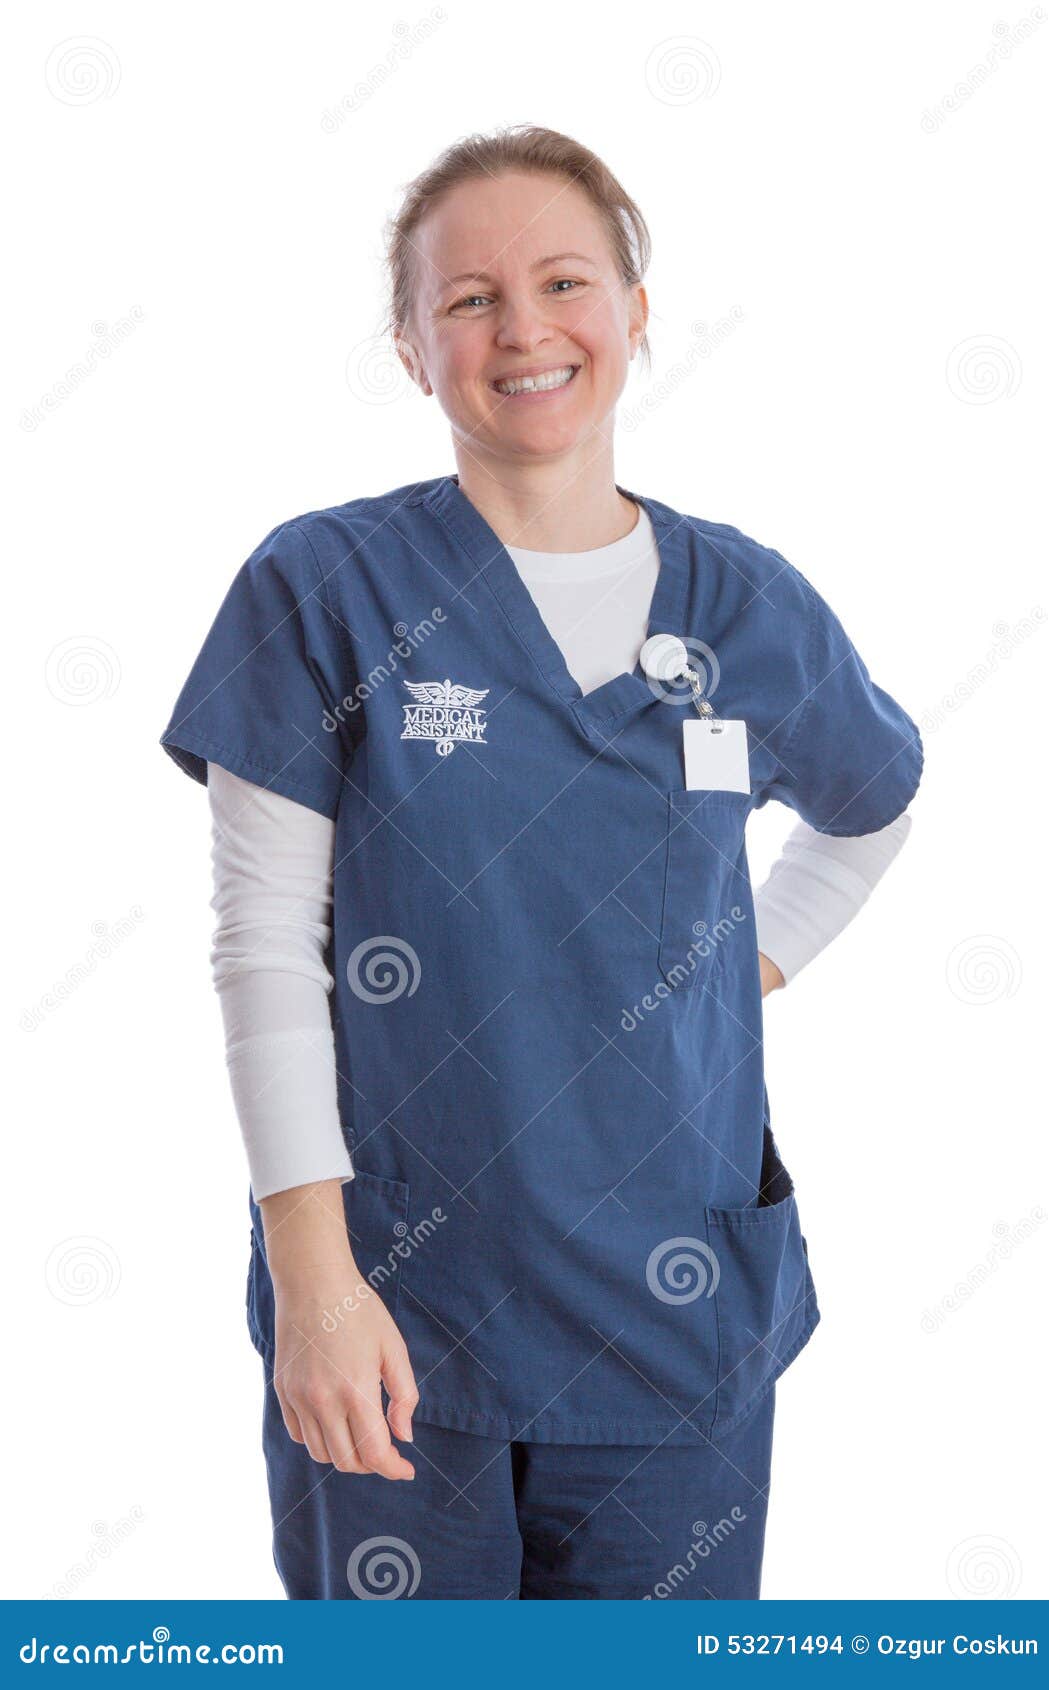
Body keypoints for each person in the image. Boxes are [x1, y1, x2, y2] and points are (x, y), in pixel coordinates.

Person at [159, 125, 922, 1600]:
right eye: (468, 298)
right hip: (396, 1319)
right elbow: (262, 949)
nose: (525, 330)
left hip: (675, 1325)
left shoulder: (749, 606)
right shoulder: (324, 590)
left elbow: (875, 803)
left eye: (567, 280)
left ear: (636, 311)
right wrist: (315, 1283)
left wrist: (746, 964)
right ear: (409, 345)